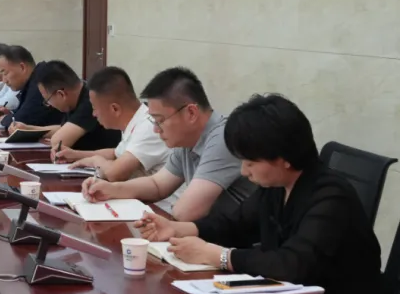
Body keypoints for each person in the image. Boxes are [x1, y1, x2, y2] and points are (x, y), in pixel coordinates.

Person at [136, 94, 389, 294]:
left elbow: (292, 265)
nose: (244, 171)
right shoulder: (278, 186)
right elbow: (235, 224)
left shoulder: (331, 197)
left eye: (251, 162)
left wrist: (218, 256)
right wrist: (179, 229)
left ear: (284, 158)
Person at [81, 67, 255, 220]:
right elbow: (158, 185)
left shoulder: (222, 138)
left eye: (160, 121)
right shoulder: (187, 140)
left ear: (191, 113)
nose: (156, 130)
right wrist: (111, 189)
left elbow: (185, 212)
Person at [66, 67, 175, 209]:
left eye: (94, 108)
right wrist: (75, 155)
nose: (93, 114)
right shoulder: (135, 121)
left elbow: (114, 174)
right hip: (139, 203)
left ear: (115, 109)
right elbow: (116, 153)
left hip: (160, 209)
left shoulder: (149, 126)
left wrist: (95, 160)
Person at [16, 60, 121, 152]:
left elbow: (58, 142)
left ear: (61, 94)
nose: (49, 105)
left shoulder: (90, 101)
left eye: (48, 100)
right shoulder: (77, 96)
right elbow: (63, 128)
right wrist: (28, 129)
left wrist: (55, 139)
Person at [0, 45, 62, 130]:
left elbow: (22, 121)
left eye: (5, 73)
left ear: (22, 67)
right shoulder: (34, 79)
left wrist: (3, 119)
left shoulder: (42, 80)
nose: (4, 80)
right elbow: (28, 111)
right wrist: (11, 113)